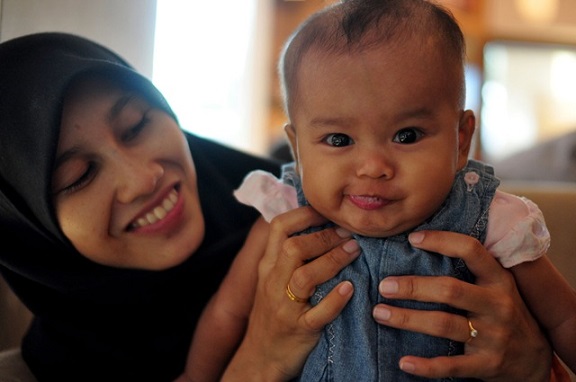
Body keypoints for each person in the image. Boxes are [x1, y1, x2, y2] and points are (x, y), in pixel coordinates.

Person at [0, 31, 561, 382]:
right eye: (78, 176)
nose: (143, 177)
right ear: (25, 227)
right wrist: (259, 360)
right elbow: (223, 322)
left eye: (137, 124)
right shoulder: (39, 370)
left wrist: (537, 368)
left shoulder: (287, 213)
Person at [183, 0, 576, 381]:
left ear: (460, 141)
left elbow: (563, 316)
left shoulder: (489, 221)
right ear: (297, 148)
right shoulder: (283, 219)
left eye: (406, 136)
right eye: (338, 139)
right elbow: (227, 314)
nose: (373, 167)